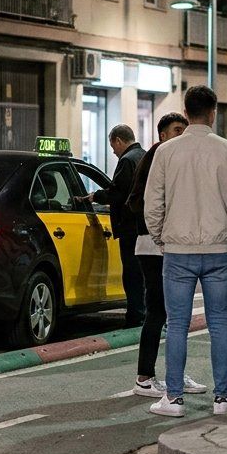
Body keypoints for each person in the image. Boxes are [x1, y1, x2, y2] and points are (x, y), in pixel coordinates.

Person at [144, 87, 227, 417]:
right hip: (220, 250)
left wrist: (161, 238)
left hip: (177, 250)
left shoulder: (166, 152)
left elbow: (153, 203)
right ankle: (222, 399)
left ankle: (174, 399)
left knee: (177, 325)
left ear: (187, 112)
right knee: (220, 323)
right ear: (213, 112)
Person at [123, 112, 202, 398]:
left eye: (185, 129)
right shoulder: (156, 157)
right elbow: (137, 201)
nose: (182, 135)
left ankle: (174, 375)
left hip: (170, 245)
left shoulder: (174, 158)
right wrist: (160, 230)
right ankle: (144, 377)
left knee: (174, 313)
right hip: (153, 247)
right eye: (177, 130)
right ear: (163, 135)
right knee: (157, 310)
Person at [82, 125, 146, 328]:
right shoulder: (143, 156)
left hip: (129, 225)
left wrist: (96, 196)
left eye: (113, 146)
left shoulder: (127, 160)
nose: (113, 151)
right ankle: (142, 312)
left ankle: (135, 315)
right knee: (142, 273)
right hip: (143, 225)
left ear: (119, 140)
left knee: (132, 273)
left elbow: (118, 192)